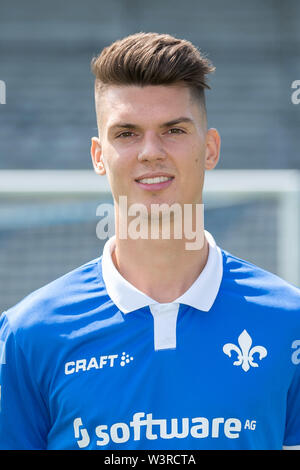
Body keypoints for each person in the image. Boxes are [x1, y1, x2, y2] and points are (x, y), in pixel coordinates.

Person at [0, 32, 300, 451]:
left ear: (210, 148)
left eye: (173, 130)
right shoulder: (29, 334)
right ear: (98, 156)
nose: (150, 152)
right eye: (126, 134)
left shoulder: (290, 323)